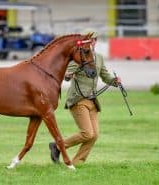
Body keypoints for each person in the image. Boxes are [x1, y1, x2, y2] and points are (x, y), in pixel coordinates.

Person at [49, 28, 121, 165]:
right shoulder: (78, 57)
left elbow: (105, 75)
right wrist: (68, 76)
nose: (93, 42)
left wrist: (115, 81)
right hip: (78, 99)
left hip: (92, 101)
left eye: (95, 39)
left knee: (94, 136)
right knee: (87, 133)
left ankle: (77, 162)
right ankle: (58, 146)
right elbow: (67, 75)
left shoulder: (98, 58)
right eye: (91, 39)